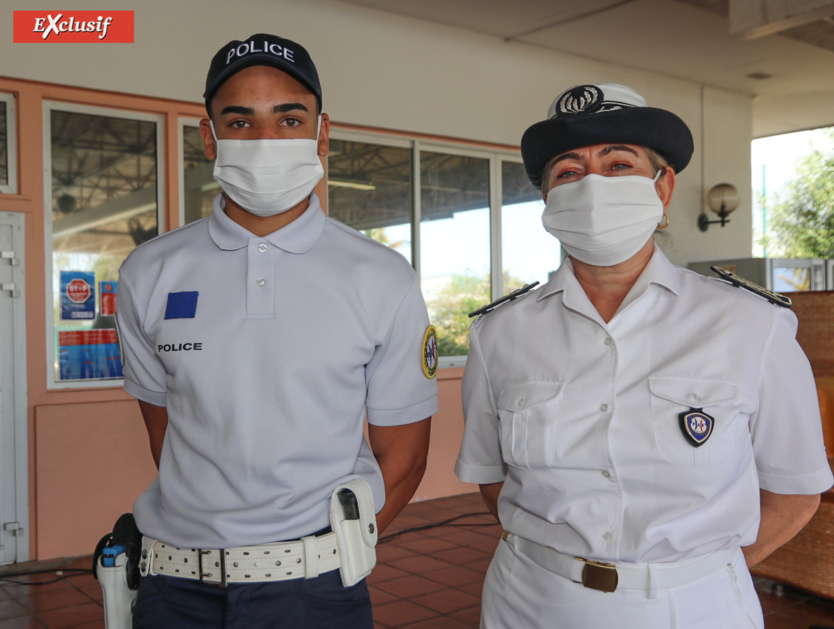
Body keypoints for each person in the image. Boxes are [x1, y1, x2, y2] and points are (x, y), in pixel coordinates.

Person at [454, 83, 833, 629]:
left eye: (618, 165)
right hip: (531, 602)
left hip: (695, 608)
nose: (591, 186)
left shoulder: (753, 324)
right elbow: (496, 480)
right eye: (568, 171)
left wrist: (697, 574)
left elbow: (795, 492)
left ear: (663, 188)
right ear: (548, 199)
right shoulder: (500, 333)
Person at [116, 33, 439, 629]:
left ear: (321, 132)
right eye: (239, 121)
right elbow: (168, 436)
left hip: (315, 591)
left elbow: (405, 457)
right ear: (208, 136)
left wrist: (329, 554)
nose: (265, 139)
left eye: (288, 118)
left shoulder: (380, 276)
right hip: (172, 590)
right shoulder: (149, 272)